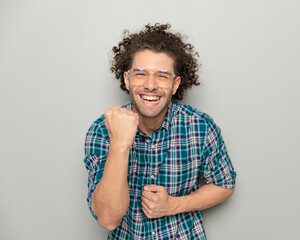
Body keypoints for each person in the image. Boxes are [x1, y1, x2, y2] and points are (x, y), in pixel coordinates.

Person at [84, 23, 236, 239]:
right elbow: (108, 219)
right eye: (140, 74)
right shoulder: (101, 130)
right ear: (127, 80)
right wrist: (120, 144)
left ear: (175, 84)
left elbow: (224, 184)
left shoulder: (201, 126)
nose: (150, 85)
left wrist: (174, 205)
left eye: (162, 76)